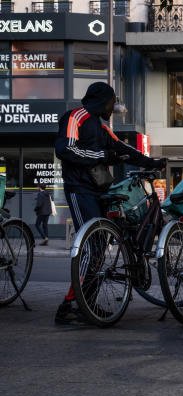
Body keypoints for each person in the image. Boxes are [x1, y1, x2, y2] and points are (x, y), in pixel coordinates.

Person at [53, 82, 167, 325]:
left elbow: (121, 148)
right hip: (80, 188)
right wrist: (103, 156)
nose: (113, 107)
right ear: (102, 100)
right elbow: (66, 149)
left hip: (99, 189)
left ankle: (85, 304)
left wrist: (151, 162)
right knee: (91, 245)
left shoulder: (101, 127)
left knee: (100, 244)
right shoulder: (76, 116)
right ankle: (71, 305)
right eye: (111, 102)